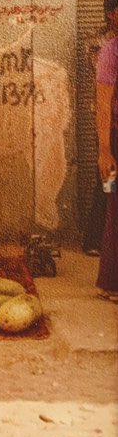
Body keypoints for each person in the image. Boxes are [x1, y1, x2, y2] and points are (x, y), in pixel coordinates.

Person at [85, 0, 118, 254]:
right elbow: (103, 97)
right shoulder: (103, 44)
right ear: (110, 14)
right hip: (109, 126)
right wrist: (104, 147)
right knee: (108, 186)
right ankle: (95, 240)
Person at [95, 32, 118, 301]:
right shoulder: (111, 52)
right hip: (114, 141)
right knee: (114, 205)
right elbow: (102, 103)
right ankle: (111, 282)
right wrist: (104, 150)